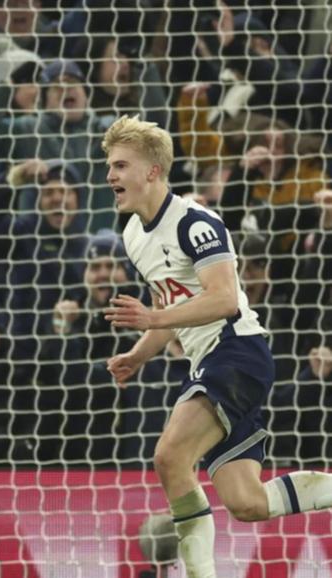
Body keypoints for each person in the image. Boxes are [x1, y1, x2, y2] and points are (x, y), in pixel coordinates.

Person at [101, 115, 332, 578]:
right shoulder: (131, 234)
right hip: (209, 364)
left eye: (121, 165)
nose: (110, 175)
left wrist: (154, 317)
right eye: (109, 165)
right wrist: (140, 353)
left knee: (170, 457)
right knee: (248, 502)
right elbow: (174, 305)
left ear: (152, 171)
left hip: (236, 353)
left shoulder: (196, 222)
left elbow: (224, 299)